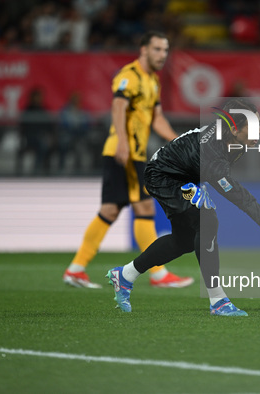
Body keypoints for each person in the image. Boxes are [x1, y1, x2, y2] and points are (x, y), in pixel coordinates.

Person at [106, 98, 260, 316]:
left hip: (183, 175)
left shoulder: (233, 139)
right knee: (207, 219)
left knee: (183, 241)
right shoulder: (213, 158)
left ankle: (125, 275)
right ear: (233, 129)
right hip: (163, 177)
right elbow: (243, 200)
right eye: (253, 127)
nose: (259, 132)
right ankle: (218, 300)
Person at [64, 31, 194, 289]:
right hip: (125, 152)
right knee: (144, 208)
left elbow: (157, 119)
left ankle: (76, 269)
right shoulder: (129, 76)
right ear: (143, 49)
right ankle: (158, 274)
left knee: (110, 210)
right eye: (157, 49)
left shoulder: (153, 81)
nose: (162, 55)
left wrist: (180, 142)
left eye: (165, 50)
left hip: (129, 154)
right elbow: (118, 108)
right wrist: (123, 141)